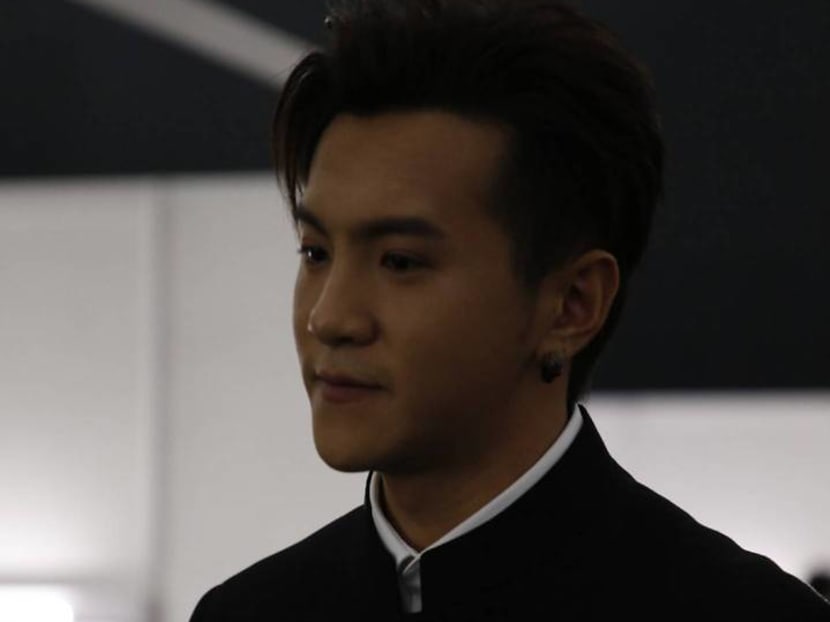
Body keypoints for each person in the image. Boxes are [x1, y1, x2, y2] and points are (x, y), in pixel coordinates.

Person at [189, 1, 830, 619]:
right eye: (315, 252)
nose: (329, 318)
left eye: (401, 262)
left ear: (572, 305)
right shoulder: (247, 611)